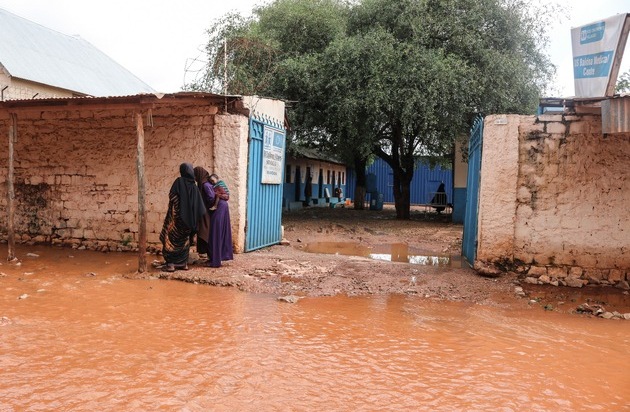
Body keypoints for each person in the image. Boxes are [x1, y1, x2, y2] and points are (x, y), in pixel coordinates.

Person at [159, 163, 207, 272]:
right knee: (185, 241)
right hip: (189, 222)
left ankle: (171, 264)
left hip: (176, 220)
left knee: (170, 240)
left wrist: (179, 212)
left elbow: (172, 196)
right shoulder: (194, 186)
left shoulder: (179, 182)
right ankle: (183, 263)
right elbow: (199, 206)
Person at [204, 173, 234, 268]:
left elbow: (214, 196)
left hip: (220, 207)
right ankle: (218, 258)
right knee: (220, 232)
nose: (212, 182)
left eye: (213, 181)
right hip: (223, 207)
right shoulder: (216, 185)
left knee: (215, 233)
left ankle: (215, 262)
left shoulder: (214, 186)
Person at [193, 166, 213, 258]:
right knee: (204, 232)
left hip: (206, 213)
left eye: (196, 176)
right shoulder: (203, 184)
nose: (195, 179)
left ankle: (211, 255)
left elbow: (211, 197)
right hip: (205, 212)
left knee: (205, 232)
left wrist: (207, 206)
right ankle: (207, 255)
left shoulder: (205, 185)